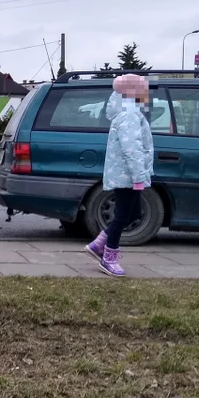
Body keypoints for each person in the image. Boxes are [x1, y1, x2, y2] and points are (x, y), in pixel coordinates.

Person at [85, 73, 154, 276]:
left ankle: (98, 245)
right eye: (143, 89)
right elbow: (131, 148)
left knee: (135, 213)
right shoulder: (129, 115)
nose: (146, 93)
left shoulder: (130, 112)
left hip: (128, 174)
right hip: (128, 175)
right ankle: (109, 257)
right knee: (123, 216)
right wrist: (138, 176)